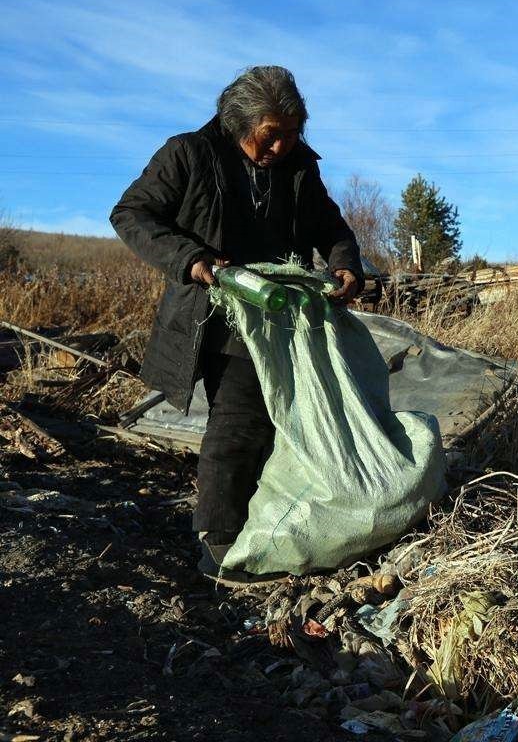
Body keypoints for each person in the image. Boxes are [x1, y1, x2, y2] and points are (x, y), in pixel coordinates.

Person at [111, 65, 363, 579]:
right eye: (272, 137)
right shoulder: (189, 154)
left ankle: (261, 525)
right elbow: (131, 214)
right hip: (219, 316)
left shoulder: (299, 168)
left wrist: (344, 262)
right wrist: (192, 257)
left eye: (293, 135)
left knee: (281, 424)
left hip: (284, 318)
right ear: (238, 123)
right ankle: (218, 543)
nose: (283, 147)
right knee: (239, 424)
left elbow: (331, 225)